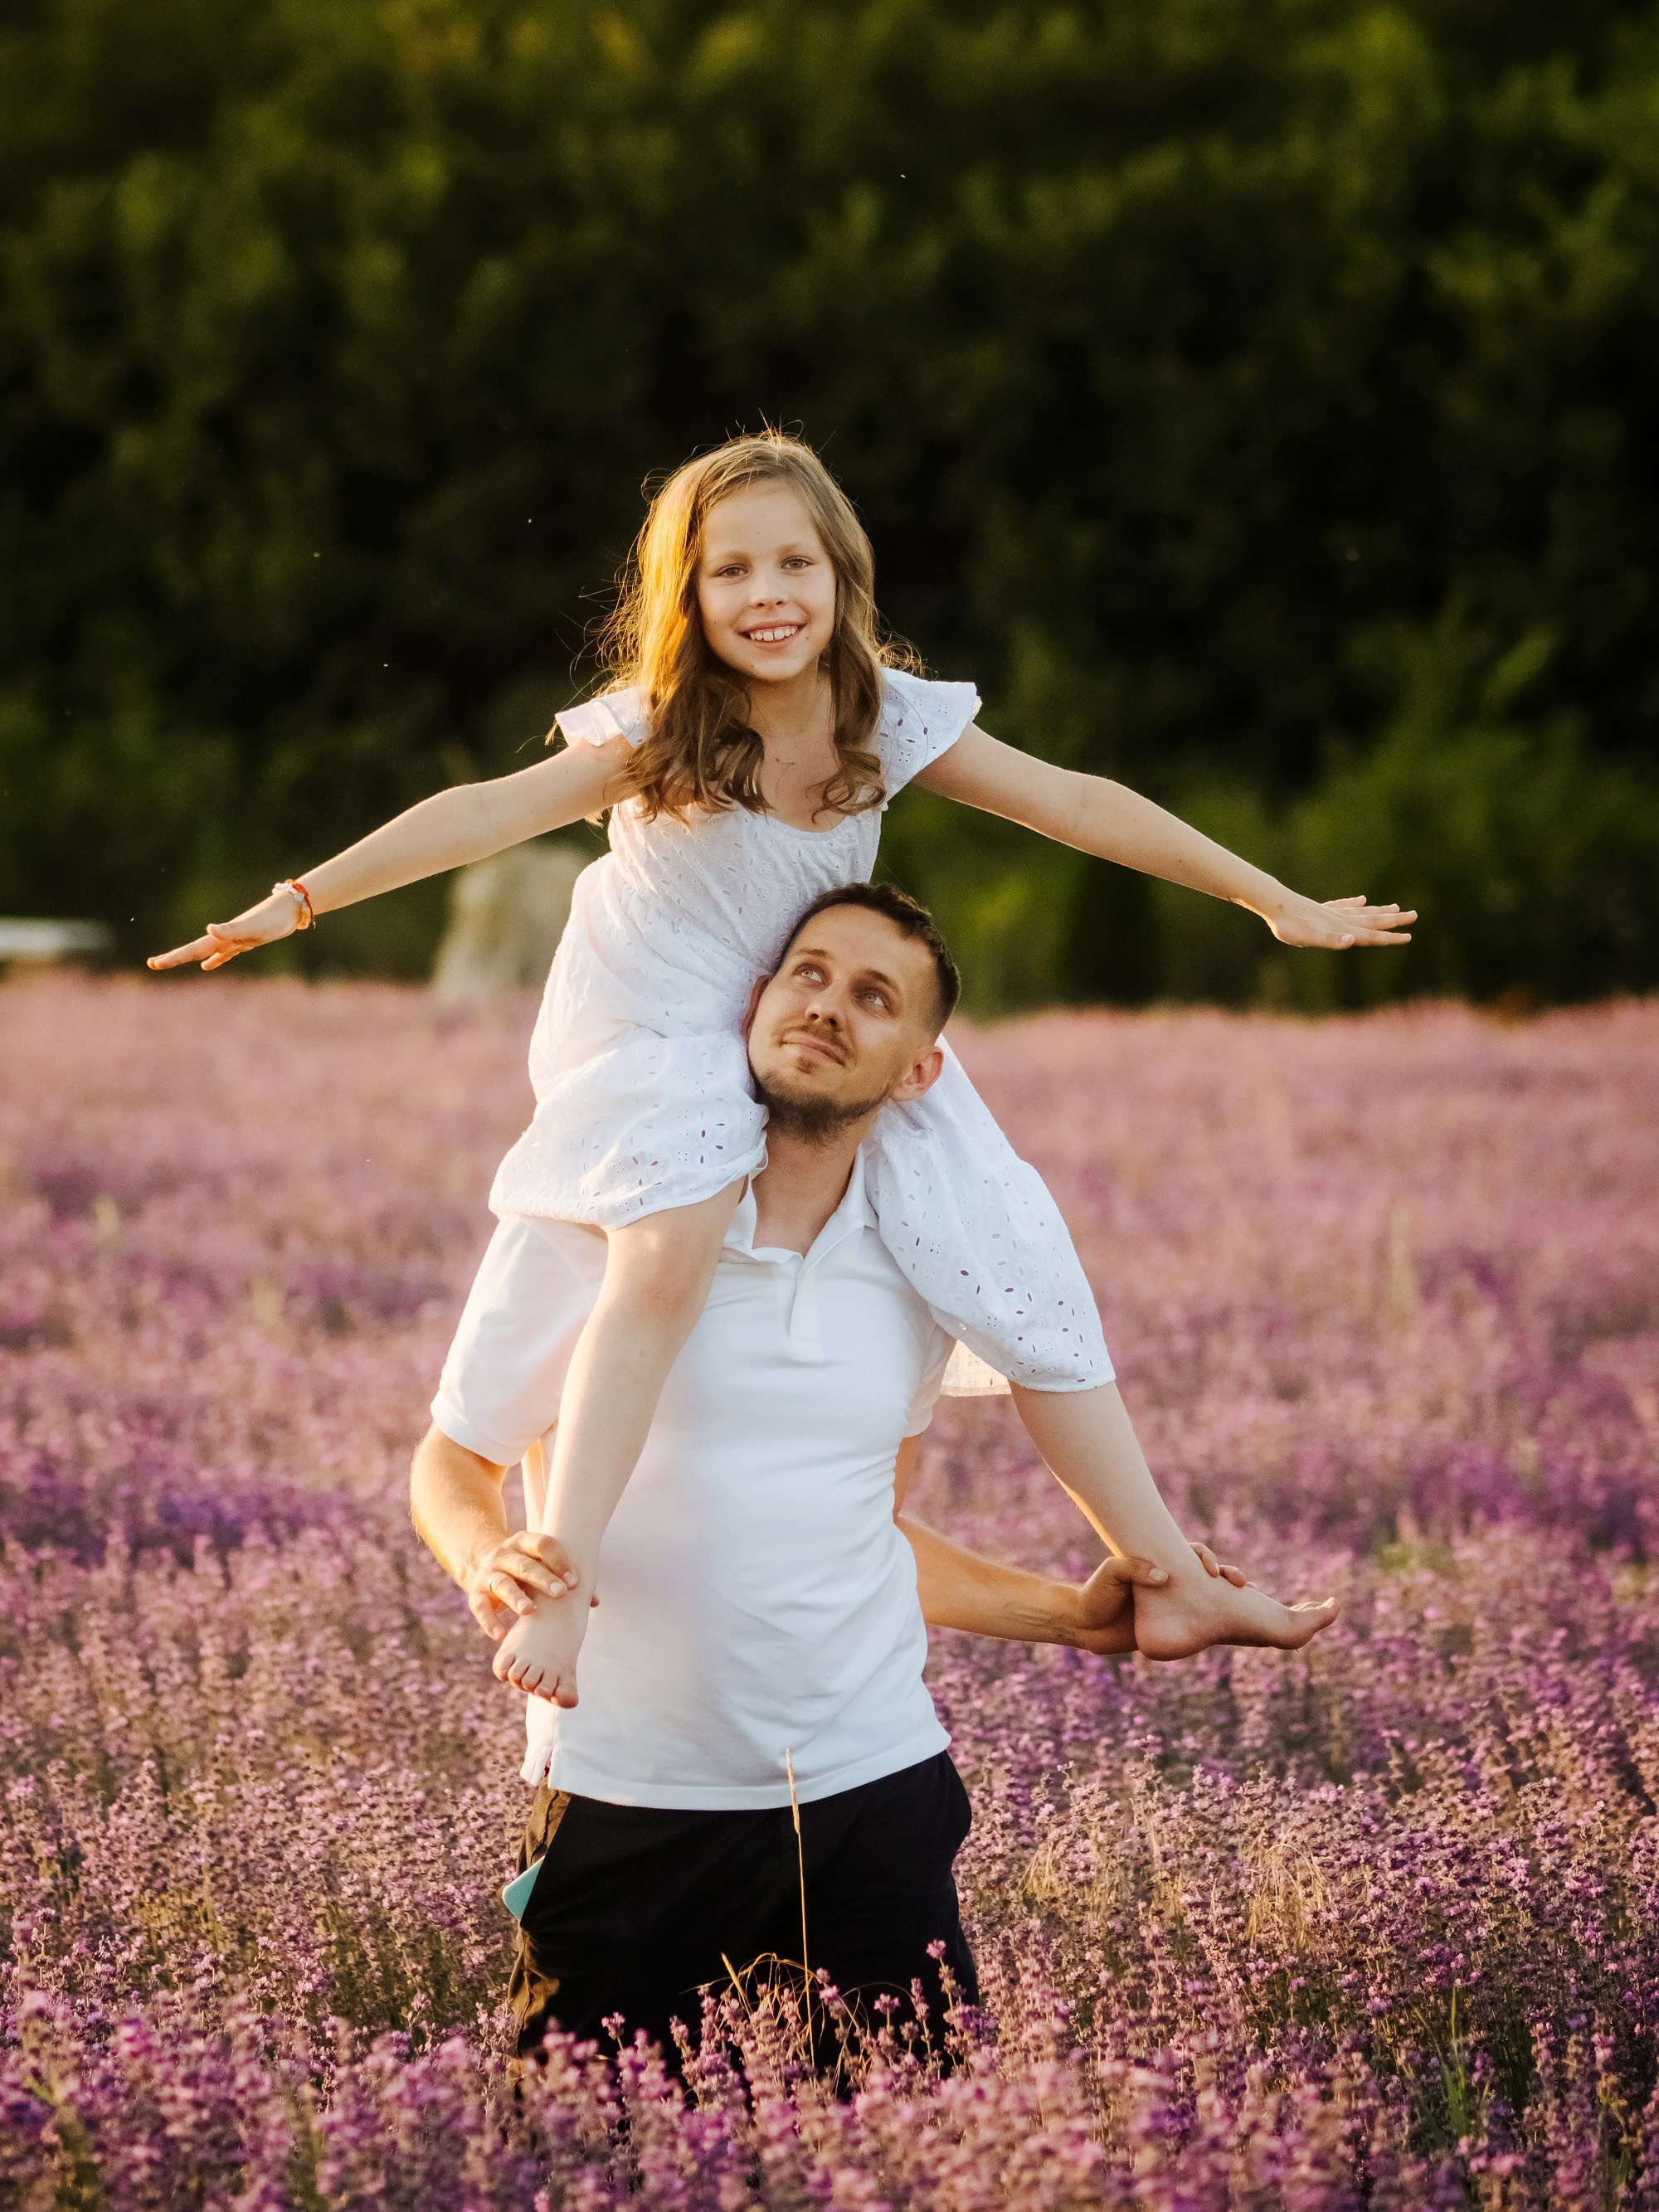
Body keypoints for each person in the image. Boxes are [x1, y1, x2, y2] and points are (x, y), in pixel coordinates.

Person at [154, 430, 1404, 1708]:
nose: (768, 597)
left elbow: (1076, 802)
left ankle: (1162, 1567)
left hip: (809, 1019)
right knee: (668, 1249)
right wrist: (299, 900)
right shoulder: (658, 731)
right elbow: (479, 811)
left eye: (794, 564)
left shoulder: (887, 717)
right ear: (689, 601)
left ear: (841, 577)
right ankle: (569, 1570)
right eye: (731, 572)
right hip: (664, 1034)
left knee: (1007, 1228)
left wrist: (1272, 900)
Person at [410, 884, 1336, 2063]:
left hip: (871, 1791)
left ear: (919, 1074)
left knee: (911, 2150)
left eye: (873, 997)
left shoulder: (917, 1269)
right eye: (809, 973)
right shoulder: (592, 1221)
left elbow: (869, 1526)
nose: (828, 1008)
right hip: (629, 1797)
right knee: (590, 2157)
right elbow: (455, 1459)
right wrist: (486, 1554)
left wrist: (1069, 1616)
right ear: (754, 1002)